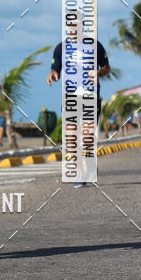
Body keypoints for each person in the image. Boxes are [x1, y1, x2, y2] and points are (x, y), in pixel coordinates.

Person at [47, 33, 110, 186]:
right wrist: (53, 74)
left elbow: (107, 68)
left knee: (87, 138)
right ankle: (81, 173)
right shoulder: (60, 48)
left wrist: (99, 72)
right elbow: (55, 69)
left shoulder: (95, 45)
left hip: (90, 96)